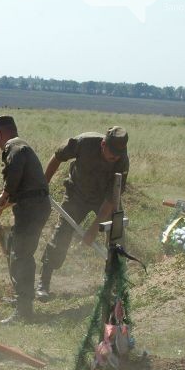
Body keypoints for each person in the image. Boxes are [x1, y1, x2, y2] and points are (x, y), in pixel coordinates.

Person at [36, 126, 129, 301]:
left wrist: (94, 229)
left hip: (104, 198)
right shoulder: (83, 143)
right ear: (103, 144)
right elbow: (57, 157)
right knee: (62, 231)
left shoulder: (122, 160)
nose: (115, 158)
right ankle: (44, 280)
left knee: (116, 231)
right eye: (112, 154)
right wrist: (43, 184)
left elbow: (112, 198)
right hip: (77, 194)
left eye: (118, 154)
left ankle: (113, 280)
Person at [0, 115, 51, 324]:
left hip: (31, 209)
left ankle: (24, 309)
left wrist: (3, 195)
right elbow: (23, 190)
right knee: (16, 250)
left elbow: (14, 177)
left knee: (21, 256)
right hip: (33, 207)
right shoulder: (22, 147)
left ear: (0, 133)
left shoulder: (14, 147)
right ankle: (21, 298)